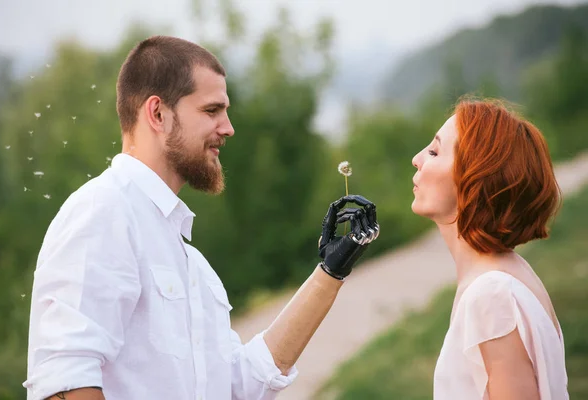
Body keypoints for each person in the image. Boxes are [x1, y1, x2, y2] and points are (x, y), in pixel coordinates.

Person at [23, 35, 380, 400]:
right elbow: (63, 382)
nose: (228, 128)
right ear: (158, 114)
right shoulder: (103, 212)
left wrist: (330, 273)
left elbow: (239, 385)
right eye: (212, 111)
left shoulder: (188, 260)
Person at [411, 98, 569, 399]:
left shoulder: (492, 295)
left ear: (474, 178)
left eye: (434, 151)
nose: (417, 159)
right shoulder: (505, 273)